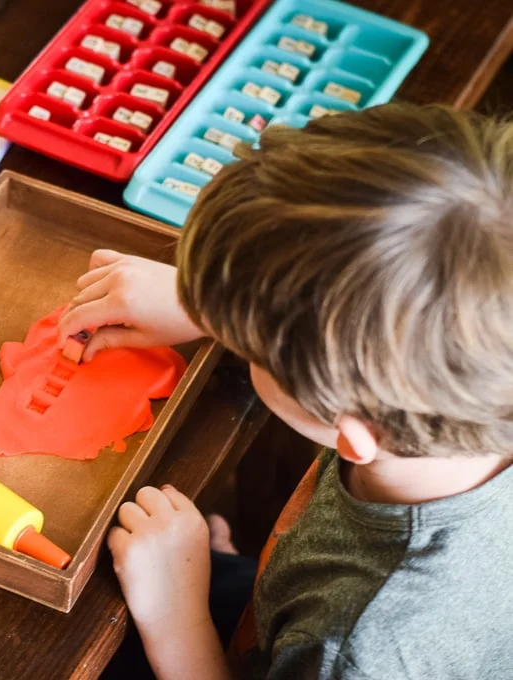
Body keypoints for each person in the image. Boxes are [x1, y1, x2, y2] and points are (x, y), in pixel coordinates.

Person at [59, 103, 513, 679]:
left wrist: (178, 615)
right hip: (279, 597)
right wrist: (216, 303)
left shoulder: (360, 650)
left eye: (252, 347)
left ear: (352, 433)